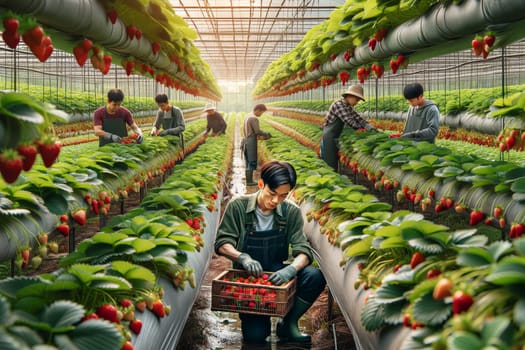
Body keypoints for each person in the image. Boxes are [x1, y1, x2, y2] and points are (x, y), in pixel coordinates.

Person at [215, 160, 326, 345]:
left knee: (314, 276)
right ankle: (258, 324)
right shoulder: (238, 207)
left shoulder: (291, 212)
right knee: (256, 337)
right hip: (249, 278)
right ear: (261, 184)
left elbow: (303, 250)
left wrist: (290, 269)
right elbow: (222, 243)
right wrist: (242, 257)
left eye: (283, 196)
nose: (276, 201)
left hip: (276, 272)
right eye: (272, 193)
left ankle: (288, 323)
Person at [321, 84, 374, 171]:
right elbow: (349, 120)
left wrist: (370, 128)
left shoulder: (348, 106)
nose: (357, 102)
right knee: (330, 164)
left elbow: (358, 118)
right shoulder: (338, 105)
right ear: (350, 96)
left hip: (334, 136)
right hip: (329, 137)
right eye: (357, 100)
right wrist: (360, 129)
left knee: (334, 162)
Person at [243, 104, 271, 186]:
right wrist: (266, 134)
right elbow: (257, 131)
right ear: (258, 110)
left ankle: (249, 180)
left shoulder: (247, 116)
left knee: (248, 161)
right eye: (261, 112)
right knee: (251, 161)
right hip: (251, 141)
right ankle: (249, 181)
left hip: (246, 140)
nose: (261, 114)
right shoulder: (253, 118)